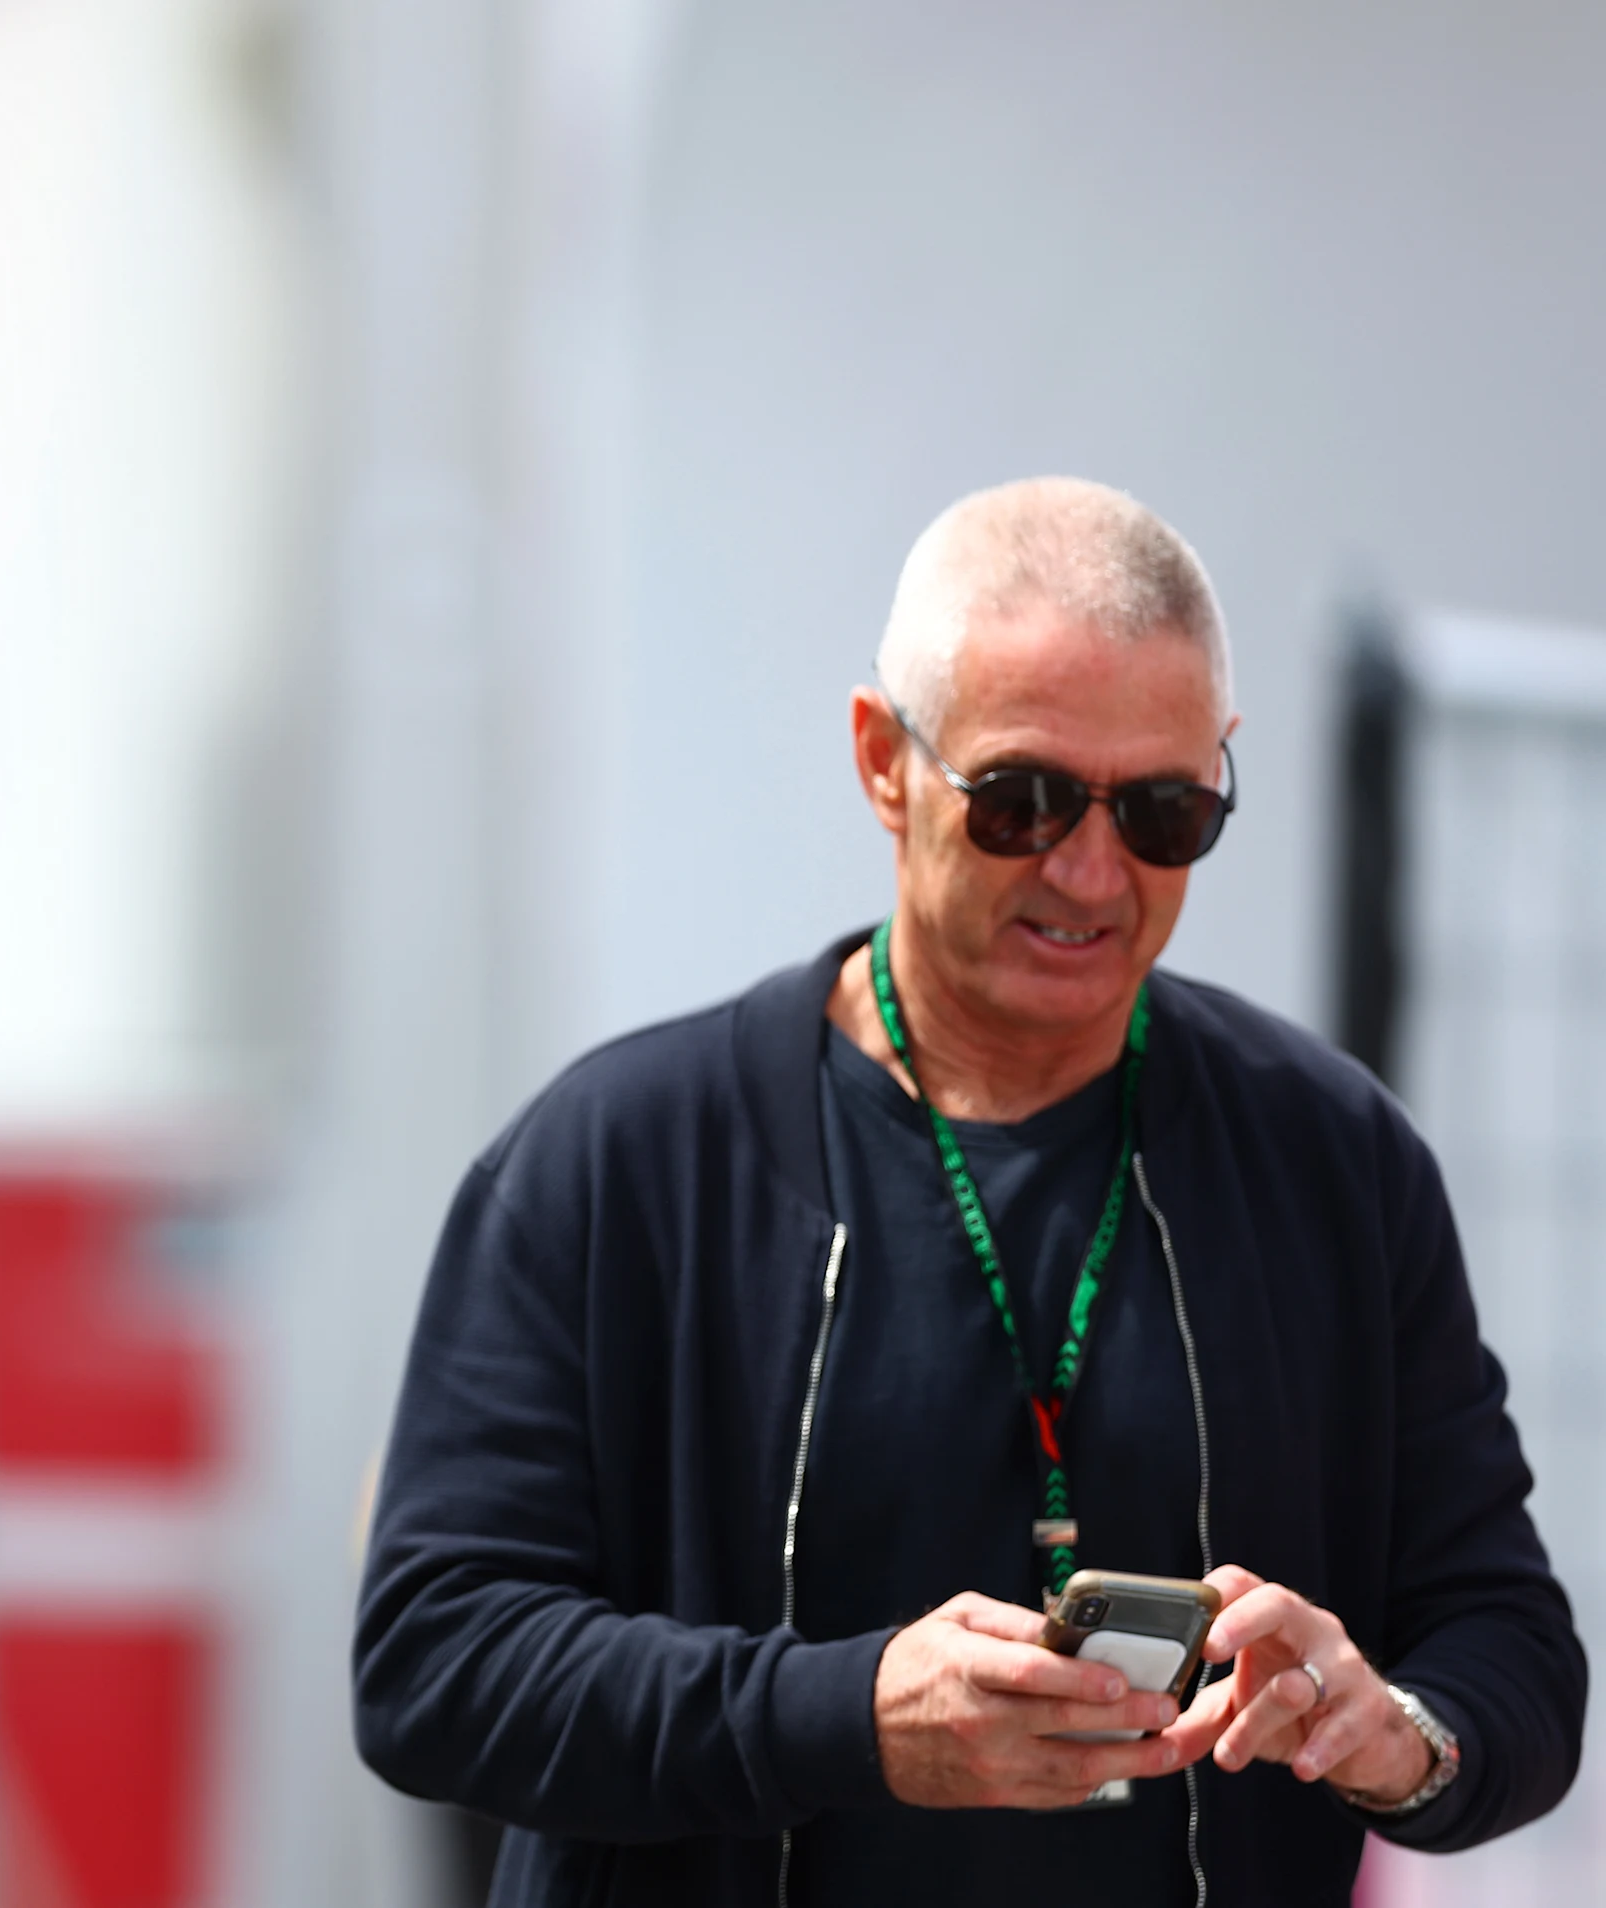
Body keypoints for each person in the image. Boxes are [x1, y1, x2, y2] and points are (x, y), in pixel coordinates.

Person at [354, 477, 1583, 1905]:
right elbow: (433, 1665)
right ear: (883, 760)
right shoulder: (619, 1160)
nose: (1089, 867)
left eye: (1165, 811)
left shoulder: (1335, 1162)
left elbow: (1511, 1651)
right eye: (1022, 798)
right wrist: (850, 1714)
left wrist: (1392, 1739)